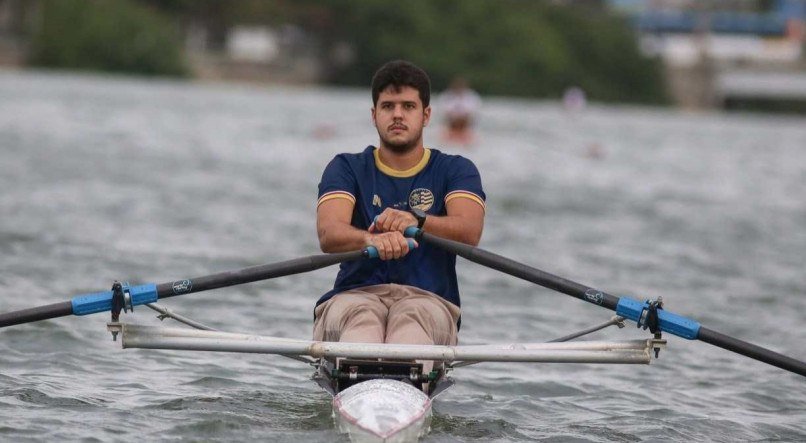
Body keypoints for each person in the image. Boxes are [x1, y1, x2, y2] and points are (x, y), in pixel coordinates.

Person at [314, 60, 486, 355]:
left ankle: (389, 377)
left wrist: (416, 221)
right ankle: (364, 376)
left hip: (428, 300)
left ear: (427, 114)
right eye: (388, 106)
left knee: (410, 330)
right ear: (374, 114)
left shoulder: (457, 170)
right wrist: (372, 239)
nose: (397, 115)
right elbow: (329, 234)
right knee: (362, 329)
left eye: (408, 106)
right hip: (354, 296)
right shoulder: (346, 167)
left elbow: (469, 233)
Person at [439, 77, 482, 145]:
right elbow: (445, 112)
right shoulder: (446, 96)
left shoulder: (472, 97)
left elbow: (472, 112)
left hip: (466, 123)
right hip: (451, 123)